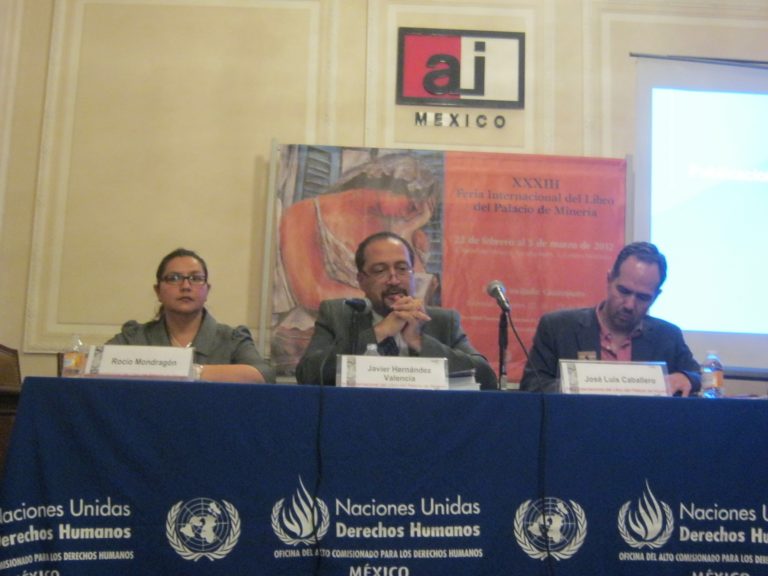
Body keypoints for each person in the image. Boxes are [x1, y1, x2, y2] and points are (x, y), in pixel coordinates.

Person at [295, 231, 497, 389]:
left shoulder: (442, 321)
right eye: (380, 270)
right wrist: (378, 333)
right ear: (361, 280)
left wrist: (418, 341)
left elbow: (486, 379)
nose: (393, 280)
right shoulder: (338, 314)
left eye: (402, 268)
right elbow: (308, 375)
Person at [520, 242, 701, 396]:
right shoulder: (558, 327)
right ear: (609, 279)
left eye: (642, 297)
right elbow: (531, 387)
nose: (630, 305)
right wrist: (581, 386)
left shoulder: (668, 336)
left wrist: (687, 378)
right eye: (623, 291)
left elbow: (698, 375)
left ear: (656, 296)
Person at [107, 248, 275, 383]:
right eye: (174, 278)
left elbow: (263, 374)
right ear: (158, 291)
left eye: (195, 278)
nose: (186, 286)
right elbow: (95, 364)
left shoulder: (231, 339)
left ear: (207, 290)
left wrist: (191, 371)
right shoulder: (135, 337)